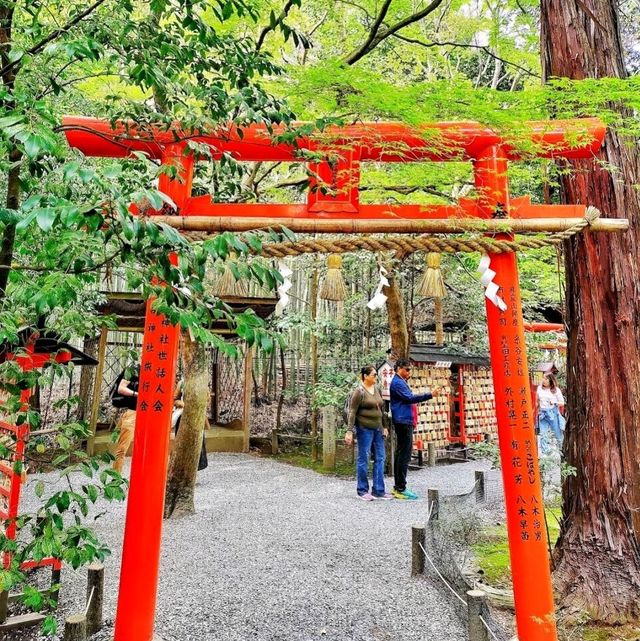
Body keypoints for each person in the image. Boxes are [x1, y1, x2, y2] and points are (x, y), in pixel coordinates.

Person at [389, 358, 440, 500]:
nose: (409, 372)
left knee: (402, 453)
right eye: (407, 369)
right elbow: (410, 398)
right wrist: (430, 394)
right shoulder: (398, 383)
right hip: (403, 421)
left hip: (404, 420)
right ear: (399, 369)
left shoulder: (400, 382)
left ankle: (399, 486)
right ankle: (400, 487)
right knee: (404, 454)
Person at [344, 365, 392, 501]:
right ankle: (362, 490)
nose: (376, 377)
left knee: (380, 458)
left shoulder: (377, 390)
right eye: (373, 375)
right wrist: (349, 431)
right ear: (365, 376)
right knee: (363, 458)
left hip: (378, 428)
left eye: (376, 375)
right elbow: (352, 412)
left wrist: (385, 426)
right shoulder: (359, 392)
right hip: (364, 428)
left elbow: (381, 409)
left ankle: (379, 490)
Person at [112, 365, 140, 474]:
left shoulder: (157, 371)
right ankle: (116, 479)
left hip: (149, 413)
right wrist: (138, 394)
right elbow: (121, 388)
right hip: (133, 412)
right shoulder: (133, 369)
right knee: (122, 449)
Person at [536, 373, 565, 452]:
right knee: (543, 434)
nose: (543, 381)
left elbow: (562, 402)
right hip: (543, 413)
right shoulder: (539, 388)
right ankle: (545, 454)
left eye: (546, 379)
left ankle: (561, 450)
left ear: (551, 380)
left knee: (557, 433)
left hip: (552, 412)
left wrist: (555, 403)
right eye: (543, 378)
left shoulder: (556, 390)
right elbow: (537, 401)